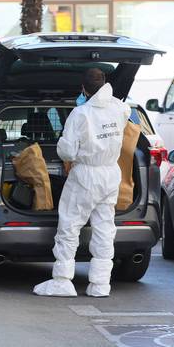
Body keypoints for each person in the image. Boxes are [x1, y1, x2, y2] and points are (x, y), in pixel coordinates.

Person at [33, 68, 131, 298]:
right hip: (110, 173)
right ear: (105, 83)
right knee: (105, 228)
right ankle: (100, 285)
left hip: (86, 174)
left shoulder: (80, 113)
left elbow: (67, 151)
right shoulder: (120, 108)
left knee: (69, 225)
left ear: (83, 89)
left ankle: (62, 280)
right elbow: (125, 121)